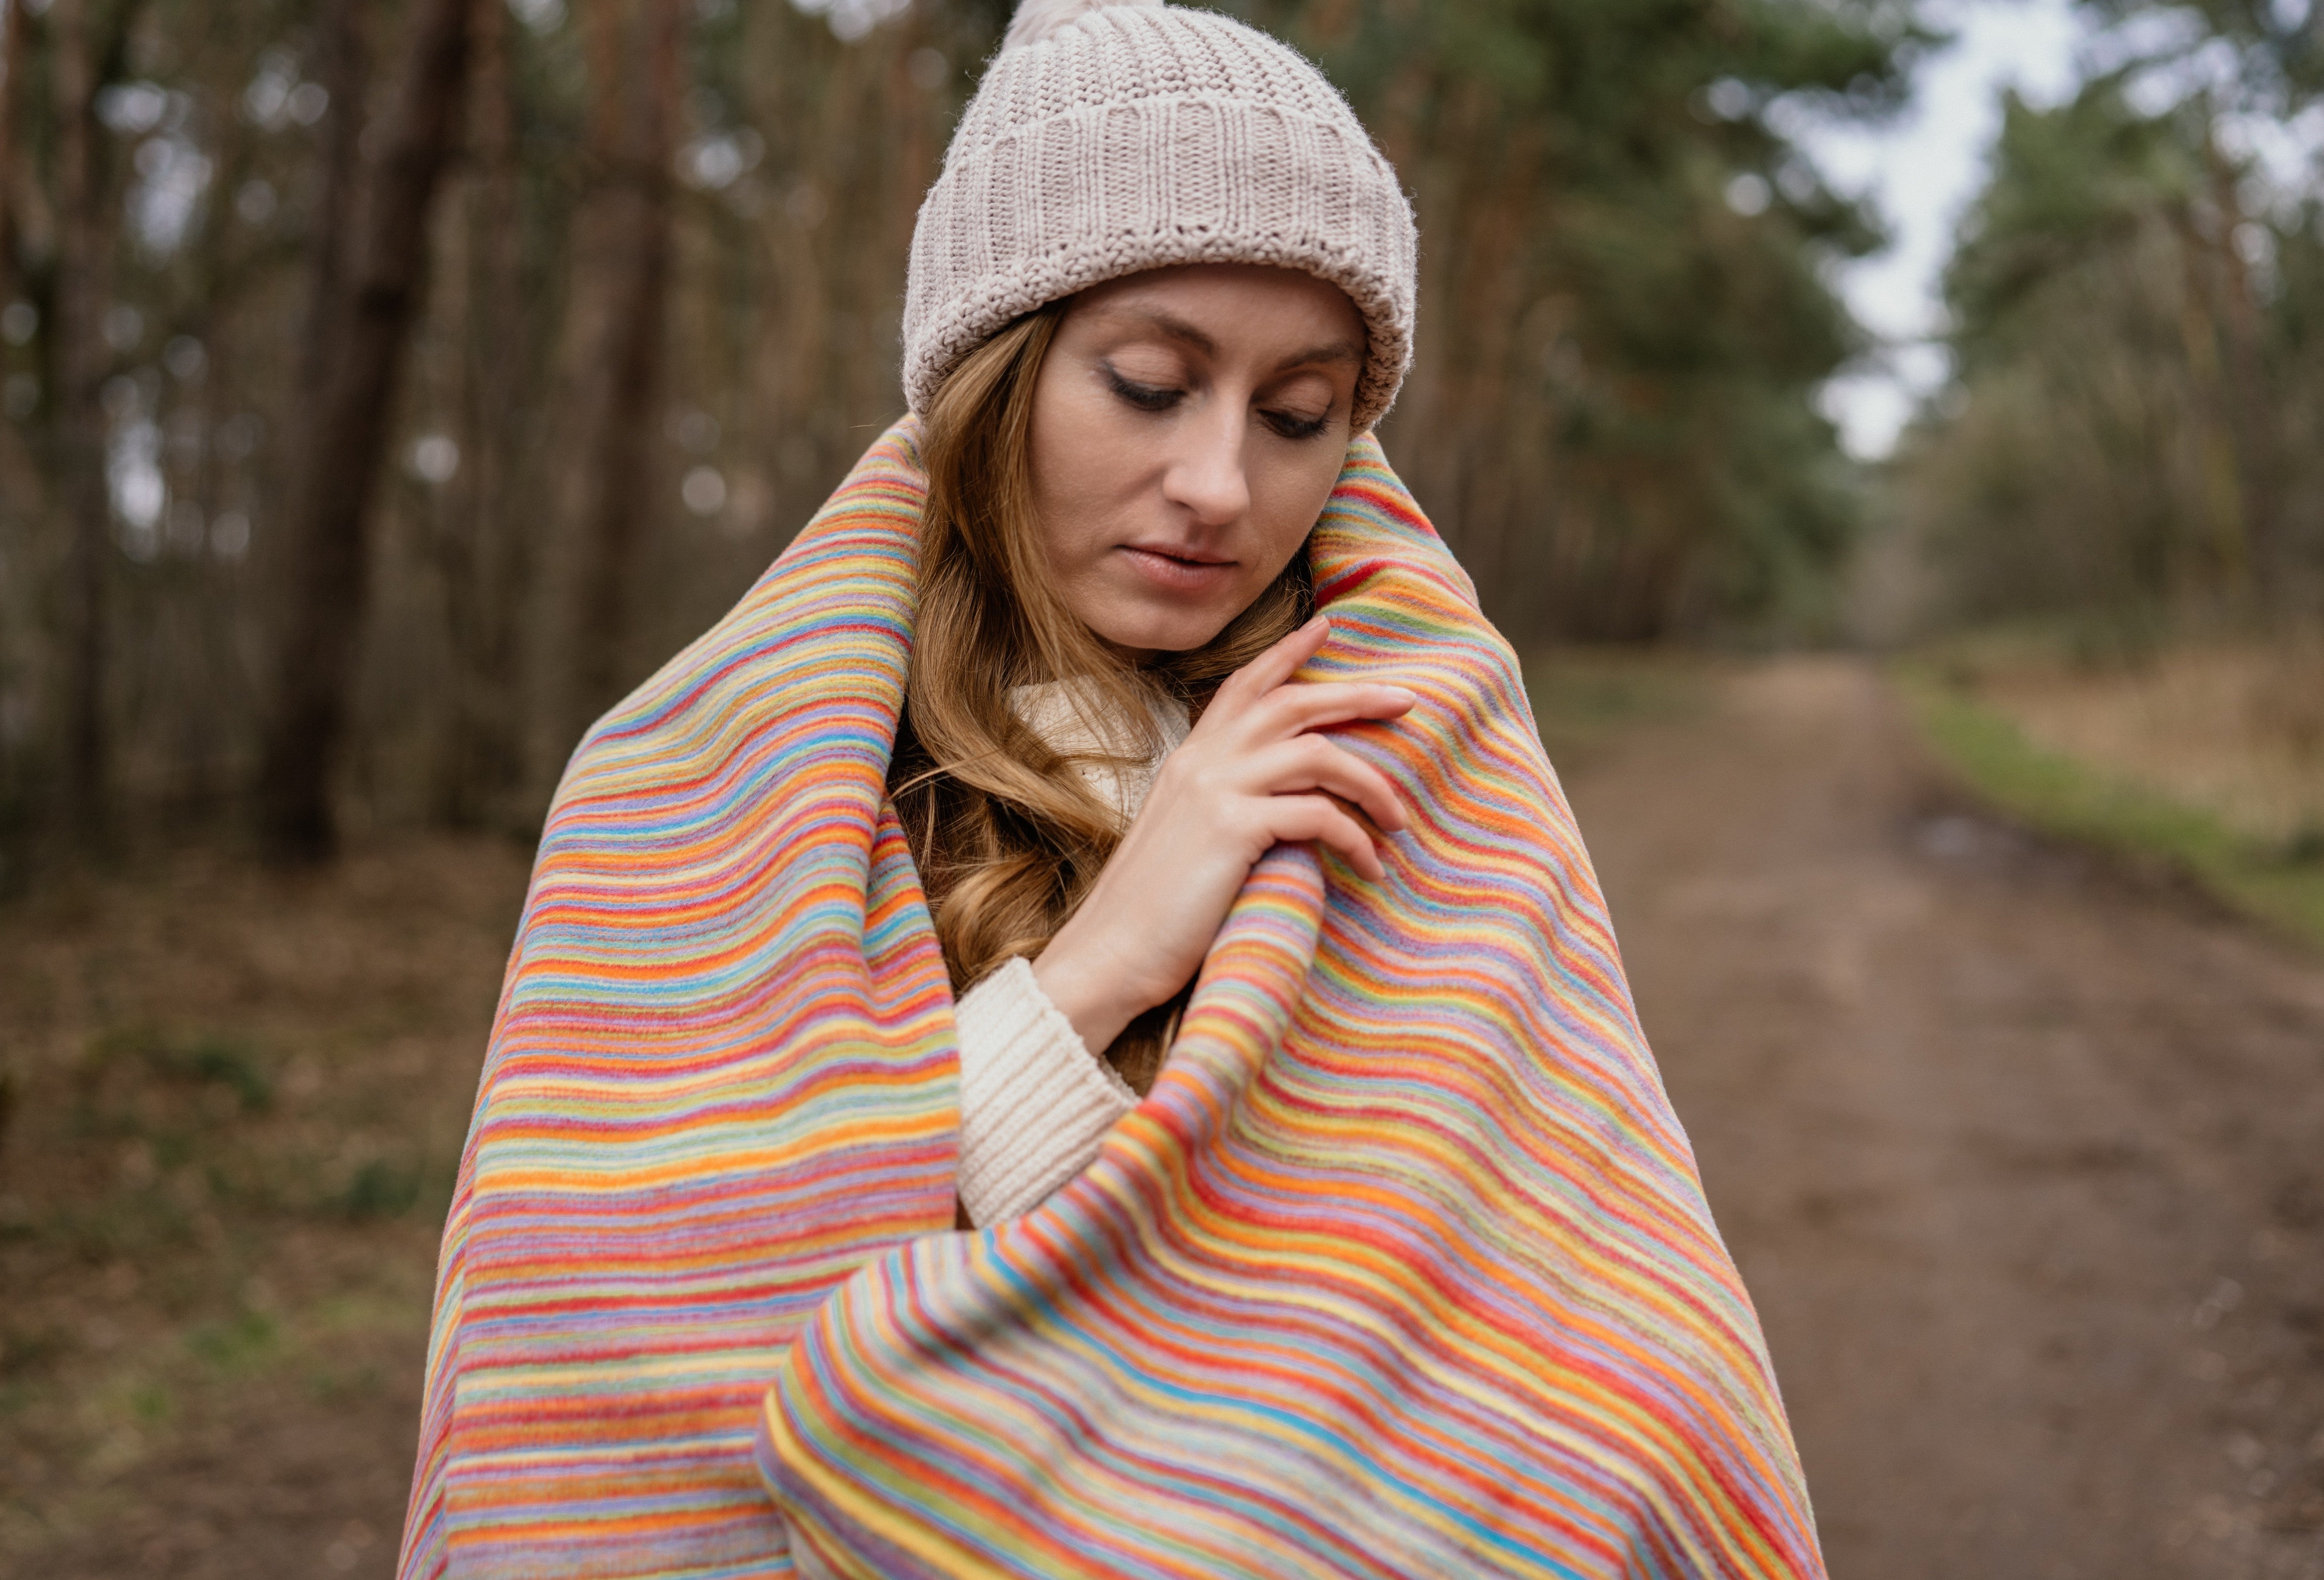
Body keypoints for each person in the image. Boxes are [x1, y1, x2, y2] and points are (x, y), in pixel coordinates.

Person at [400, 3, 1823, 1576]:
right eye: (1149, 383)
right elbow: (671, 1368)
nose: (1222, 485)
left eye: (1300, 417)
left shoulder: (1402, 764)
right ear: (992, 380)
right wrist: (1098, 969)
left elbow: (1585, 1337)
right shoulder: (696, 791)